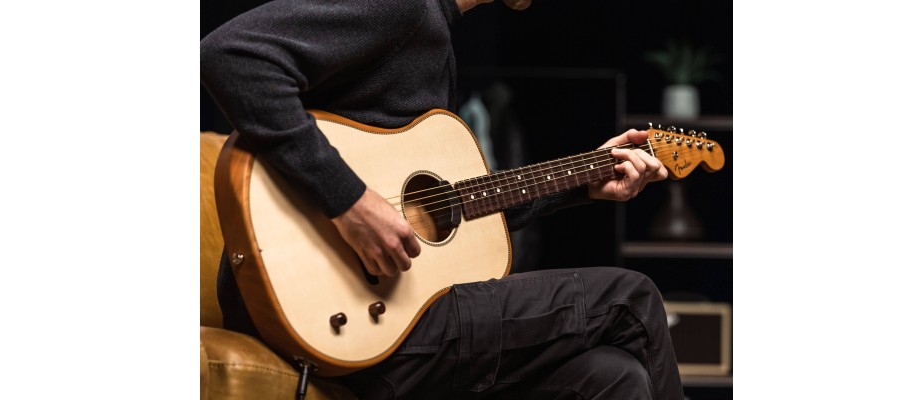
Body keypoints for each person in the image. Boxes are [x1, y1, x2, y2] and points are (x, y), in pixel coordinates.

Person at [200, 0, 685, 398]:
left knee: (616, 376)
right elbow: (229, 55)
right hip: (332, 320)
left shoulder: (436, 34)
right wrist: (348, 202)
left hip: (391, 324)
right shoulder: (403, 9)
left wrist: (585, 180)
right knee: (631, 298)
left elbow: (451, 209)